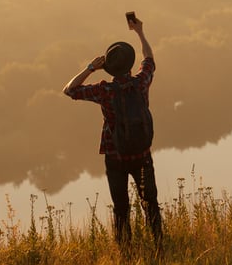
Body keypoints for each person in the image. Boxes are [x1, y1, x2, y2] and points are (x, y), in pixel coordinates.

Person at [63, 14, 163, 248]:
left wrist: (90, 67)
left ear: (109, 67)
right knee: (151, 204)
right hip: (142, 155)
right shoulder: (141, 83)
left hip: (115, 156)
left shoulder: (104, 90)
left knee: (121, 208)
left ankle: (125, 252)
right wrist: (139, 32)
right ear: (130, 65)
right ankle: (159, 246)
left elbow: (69, 90)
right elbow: (149, 60)